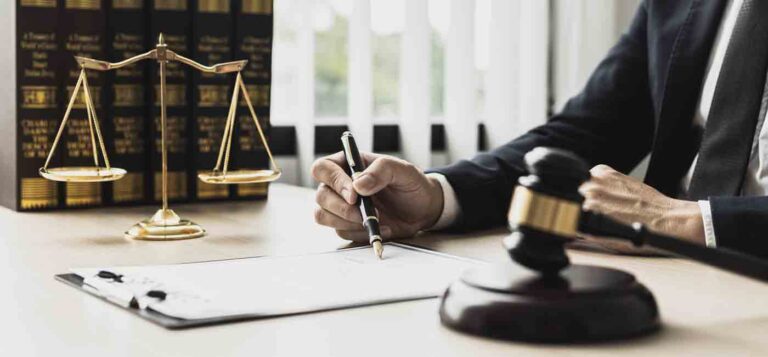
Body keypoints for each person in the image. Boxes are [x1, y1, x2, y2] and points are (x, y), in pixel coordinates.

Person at [312, 0, 768, 257]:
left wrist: (690, 222)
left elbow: (678, 220)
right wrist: (436, 196)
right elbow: (582, 135)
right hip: (673, 280)